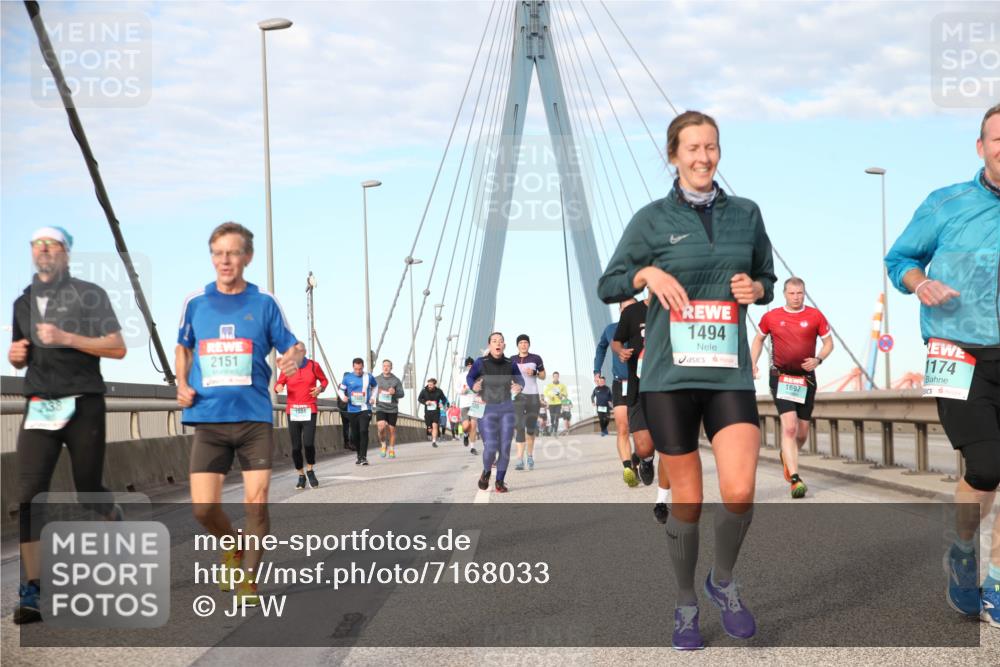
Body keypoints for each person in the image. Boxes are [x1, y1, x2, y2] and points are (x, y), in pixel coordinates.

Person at [598, 110, 776, 649]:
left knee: (741, 489)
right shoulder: (651, 219)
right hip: (669, 378)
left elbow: (766, 275)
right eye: (693, 148)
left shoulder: (746, 214)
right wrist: (646, 273)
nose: (703, 157)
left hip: (729, 374)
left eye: (712, 148)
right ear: (673, 155)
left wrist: (757, 289)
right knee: (689, 502)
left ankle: (722, 581)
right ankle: (684, 602)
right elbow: (608, 282)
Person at [884, 103, 1000, 630]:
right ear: (981, 147)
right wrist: (919, 283)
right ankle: (962, 550)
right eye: (997, 139)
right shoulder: (946, 203)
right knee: (986, 469)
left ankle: (995, 580)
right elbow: (900, 259)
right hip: (956, 352)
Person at [176, 222, 305, 608]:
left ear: (247, 257)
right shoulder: (195, 302)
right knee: (202, 508)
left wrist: (293, 359)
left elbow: (293, 345)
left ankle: (249, 580)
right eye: (218, 253)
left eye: (233, 253)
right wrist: (181, 382)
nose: (225, 260)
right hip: (208, 418)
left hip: (253, 419)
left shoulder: (264, 302)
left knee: (257, 502)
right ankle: (231, 545)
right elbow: (184, 346)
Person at [11, 226, 128, 625]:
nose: (43, 250)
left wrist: (66, 336)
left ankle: (111, 517)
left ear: (66, 253)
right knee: (29, 495)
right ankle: (32, 589)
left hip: (84, 405)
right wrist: (14, 355)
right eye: (37, 244)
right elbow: (21, 357)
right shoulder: (22, 303)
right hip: (40, 405)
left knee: (89, 492)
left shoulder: (88, 294)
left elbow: (116, 347)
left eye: (52, 244)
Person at [749, 277, 832, 499]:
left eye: (800, 293)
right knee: (790, 427)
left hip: (806, 379)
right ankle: (795, 479)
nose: (796, 297)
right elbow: (758, 340)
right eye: (792, 293)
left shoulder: (815, 315)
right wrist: (752, 362)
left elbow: (828, 343)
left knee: (802, 433)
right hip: (782, 377)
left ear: (804, 294)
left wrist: (818, 359)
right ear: (785, 294)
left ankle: (787, 454)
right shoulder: (772, 316)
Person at [613, 294, 672, 521]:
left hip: (669, 388)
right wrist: (621, 351)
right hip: (639, 389)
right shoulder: (632, 312)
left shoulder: (677, 308)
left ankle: (661, 502)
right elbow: (617, 341)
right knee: (645, 446)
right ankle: (646, 461)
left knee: (667, 446)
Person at [467, 332, 525, 492]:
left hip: (506, 407)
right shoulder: (480, 362)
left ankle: (499, 481)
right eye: (494, 341)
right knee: (491, 446)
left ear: (504, 345)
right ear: (489, 345)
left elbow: (520, 379)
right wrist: (473, 386)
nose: (497, 343)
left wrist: (519, 386)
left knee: (505, 447)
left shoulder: (510, 363)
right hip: (486, 408)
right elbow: (470, 377)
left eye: (500, 341)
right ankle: (486, 472)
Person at [596, 300, 641, 484]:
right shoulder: (610, 329)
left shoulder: (646, 326)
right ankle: (628, 468)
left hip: (643, 383)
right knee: (623, 428)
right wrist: (596, 370)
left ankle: (641, 459)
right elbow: (601, 348)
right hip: (620, 383)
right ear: (619, 311)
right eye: (625, 309)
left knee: (644, 432)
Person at [274, 356, 328, 489]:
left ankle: (310, 470)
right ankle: (301, 474)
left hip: (309, 409)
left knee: (309, 443)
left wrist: (320, 389)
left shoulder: (313, 365)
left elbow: (324, 381)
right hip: (293, 411)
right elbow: (278, 385)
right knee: (296, 447)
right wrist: (278, 387)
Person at [512, 334, 546, 470]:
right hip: (518, 396)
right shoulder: (512, 360)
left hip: (533, 396)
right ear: (517, 345)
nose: (523, 345)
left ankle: (530, 456)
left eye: (526, 342)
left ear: (529, 344)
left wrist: (535, 373)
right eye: (521, 342)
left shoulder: (536, 358)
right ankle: (519, 459)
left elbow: (543, 376)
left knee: (530, 429)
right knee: (519, 426)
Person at [339, 358, 378, 465]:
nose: (358, 371)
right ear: (353, 367)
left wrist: (373, 397)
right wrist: (343, 397)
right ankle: (359, 455)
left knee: (363, 431)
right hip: (352, 409)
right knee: (355, 434)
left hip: (365, 408)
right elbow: (341, 390)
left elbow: (375, 386)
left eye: (360, 369)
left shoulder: (368, 376)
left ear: (363, 367)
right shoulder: (347, 378)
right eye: (356, 369)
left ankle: (364, 457)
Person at [374, 359, 404, 458]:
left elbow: (402, 394)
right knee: (381, 427)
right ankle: (383, 444)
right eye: (384, 366)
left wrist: (394, 392)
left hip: (392, 408)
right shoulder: (376, 379)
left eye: (388, 366)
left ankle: (391, 449)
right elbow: (371, 390)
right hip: (380, 407)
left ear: (391, 367)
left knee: (391, 430)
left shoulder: (396, 380)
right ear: (382, 367)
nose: (386, 368)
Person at [417, 378, 448, 447]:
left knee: (435, 426)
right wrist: (425, 402)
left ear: (434, 385)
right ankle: (429, 428)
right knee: (429, 428)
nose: (429, 386)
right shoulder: (424, 391)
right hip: (427, 412)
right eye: (428, 384)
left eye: (431, 385)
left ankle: (434, 441)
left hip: (436, 411)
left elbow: (444, 399)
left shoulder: (439, 391)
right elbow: (419, 399)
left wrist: (442, 404)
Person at [457, 356, 479, 455]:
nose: (470, 366)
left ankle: (472, 447)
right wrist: (462, 391)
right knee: (466, 426)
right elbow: (456, 388)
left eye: (471, 365)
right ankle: (465, 434)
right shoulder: (461, 376)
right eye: (468, 365)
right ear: (466, 366)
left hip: (476, 403)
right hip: (464, 403)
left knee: (474, 426)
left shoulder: (478, 375)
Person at [544, 372, 568, 436]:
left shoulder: (562, 385)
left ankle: (555, 431)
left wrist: (561, 395)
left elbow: (565, 394)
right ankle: (552, 426)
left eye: (557, 376)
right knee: (552, 417)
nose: (556, 377)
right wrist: (550, 396)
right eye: (554, 376)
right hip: (551, 403)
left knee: (557, 417)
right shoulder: (549, 386)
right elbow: (545, 393)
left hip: (558, 403)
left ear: (558, 377)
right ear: (553, 377)